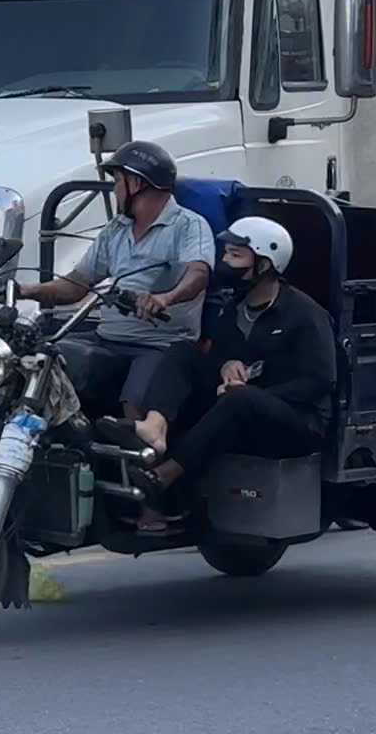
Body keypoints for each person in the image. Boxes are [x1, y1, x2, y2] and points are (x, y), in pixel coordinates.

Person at [136, 217, 333, 531]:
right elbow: (222, 355)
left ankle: (164, 477)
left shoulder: (305, 314)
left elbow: (320, 380)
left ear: (265, 264)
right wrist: (225, 364)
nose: (225, 262)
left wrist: (255, 396)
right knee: (182, 352)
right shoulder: (233, 308)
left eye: (235, 255)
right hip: (239, 406)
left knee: (239, 400)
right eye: (225, 253)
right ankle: (154, 428)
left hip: (296, 420)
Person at [19, 140, 211, 454]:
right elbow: (77, 285)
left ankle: (141, 476)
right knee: (43, 360)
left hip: (158, 345)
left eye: (118, 182)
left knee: (134, 406)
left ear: (136, 183)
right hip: (105, 338)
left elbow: (198, 274)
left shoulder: (188, 225)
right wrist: (26, 290)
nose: (115, 190)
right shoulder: (116, 230)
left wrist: (165, 298)